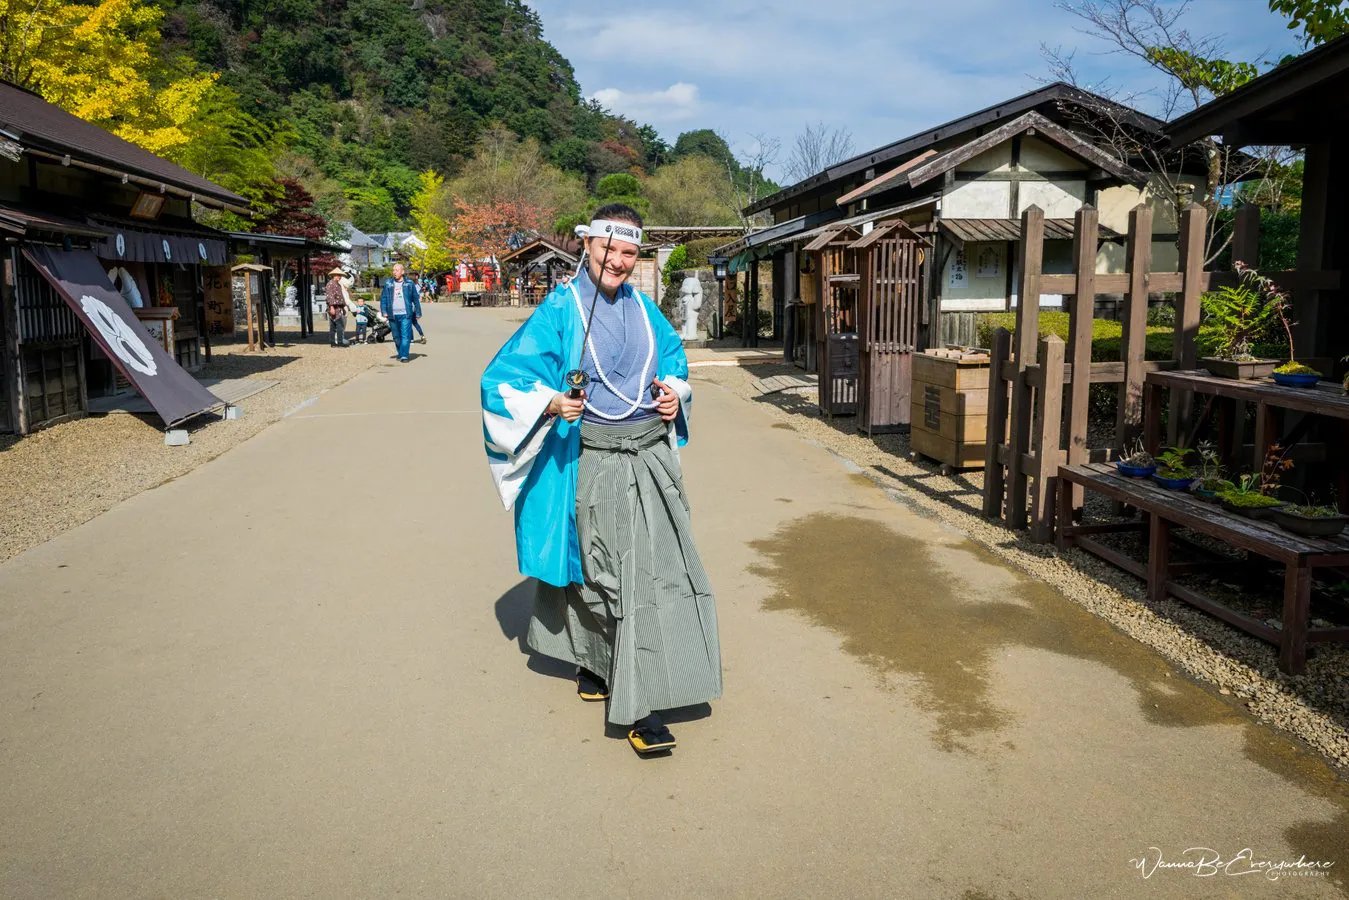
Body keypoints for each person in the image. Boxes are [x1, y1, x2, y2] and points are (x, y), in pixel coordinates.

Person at [480, 204, 721, 756]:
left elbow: (676, 359)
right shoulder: (560, 309)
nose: (617, 261)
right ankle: (633, 701)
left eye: (629, 253)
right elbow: (503, 378)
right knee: (605, 574)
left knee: (646, 572)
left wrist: (672, 392)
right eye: (608, 249)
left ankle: (613, 674)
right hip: (591, 462)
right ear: (588, 243)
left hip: (648, 456)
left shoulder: (644, 309)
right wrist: (550, 400)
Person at [379, 262, 421, 362]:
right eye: (393, 270)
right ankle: (400, 352)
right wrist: (384, 311)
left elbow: (415, 299)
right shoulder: (388, 283)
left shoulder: (409, 283)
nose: (394, 272)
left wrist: (418, 312)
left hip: (406, 314)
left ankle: (404, 356)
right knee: (396, 336)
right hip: (392, 314)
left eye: (396, 270)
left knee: (405, 335)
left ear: (402, 272)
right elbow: (383, 298)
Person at [325, 268, 348, 347]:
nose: (340, 277)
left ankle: (334, 342)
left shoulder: (337, 284)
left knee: (334, 326)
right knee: (338, 326)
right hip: (334, 307)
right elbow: (329, 296)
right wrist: (331, 307)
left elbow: (340, 297)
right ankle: (339, 342)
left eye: (340, 275)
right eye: (339, 275)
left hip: (339, 307)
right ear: (334, 275)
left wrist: (343, 307)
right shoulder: (330, 284)